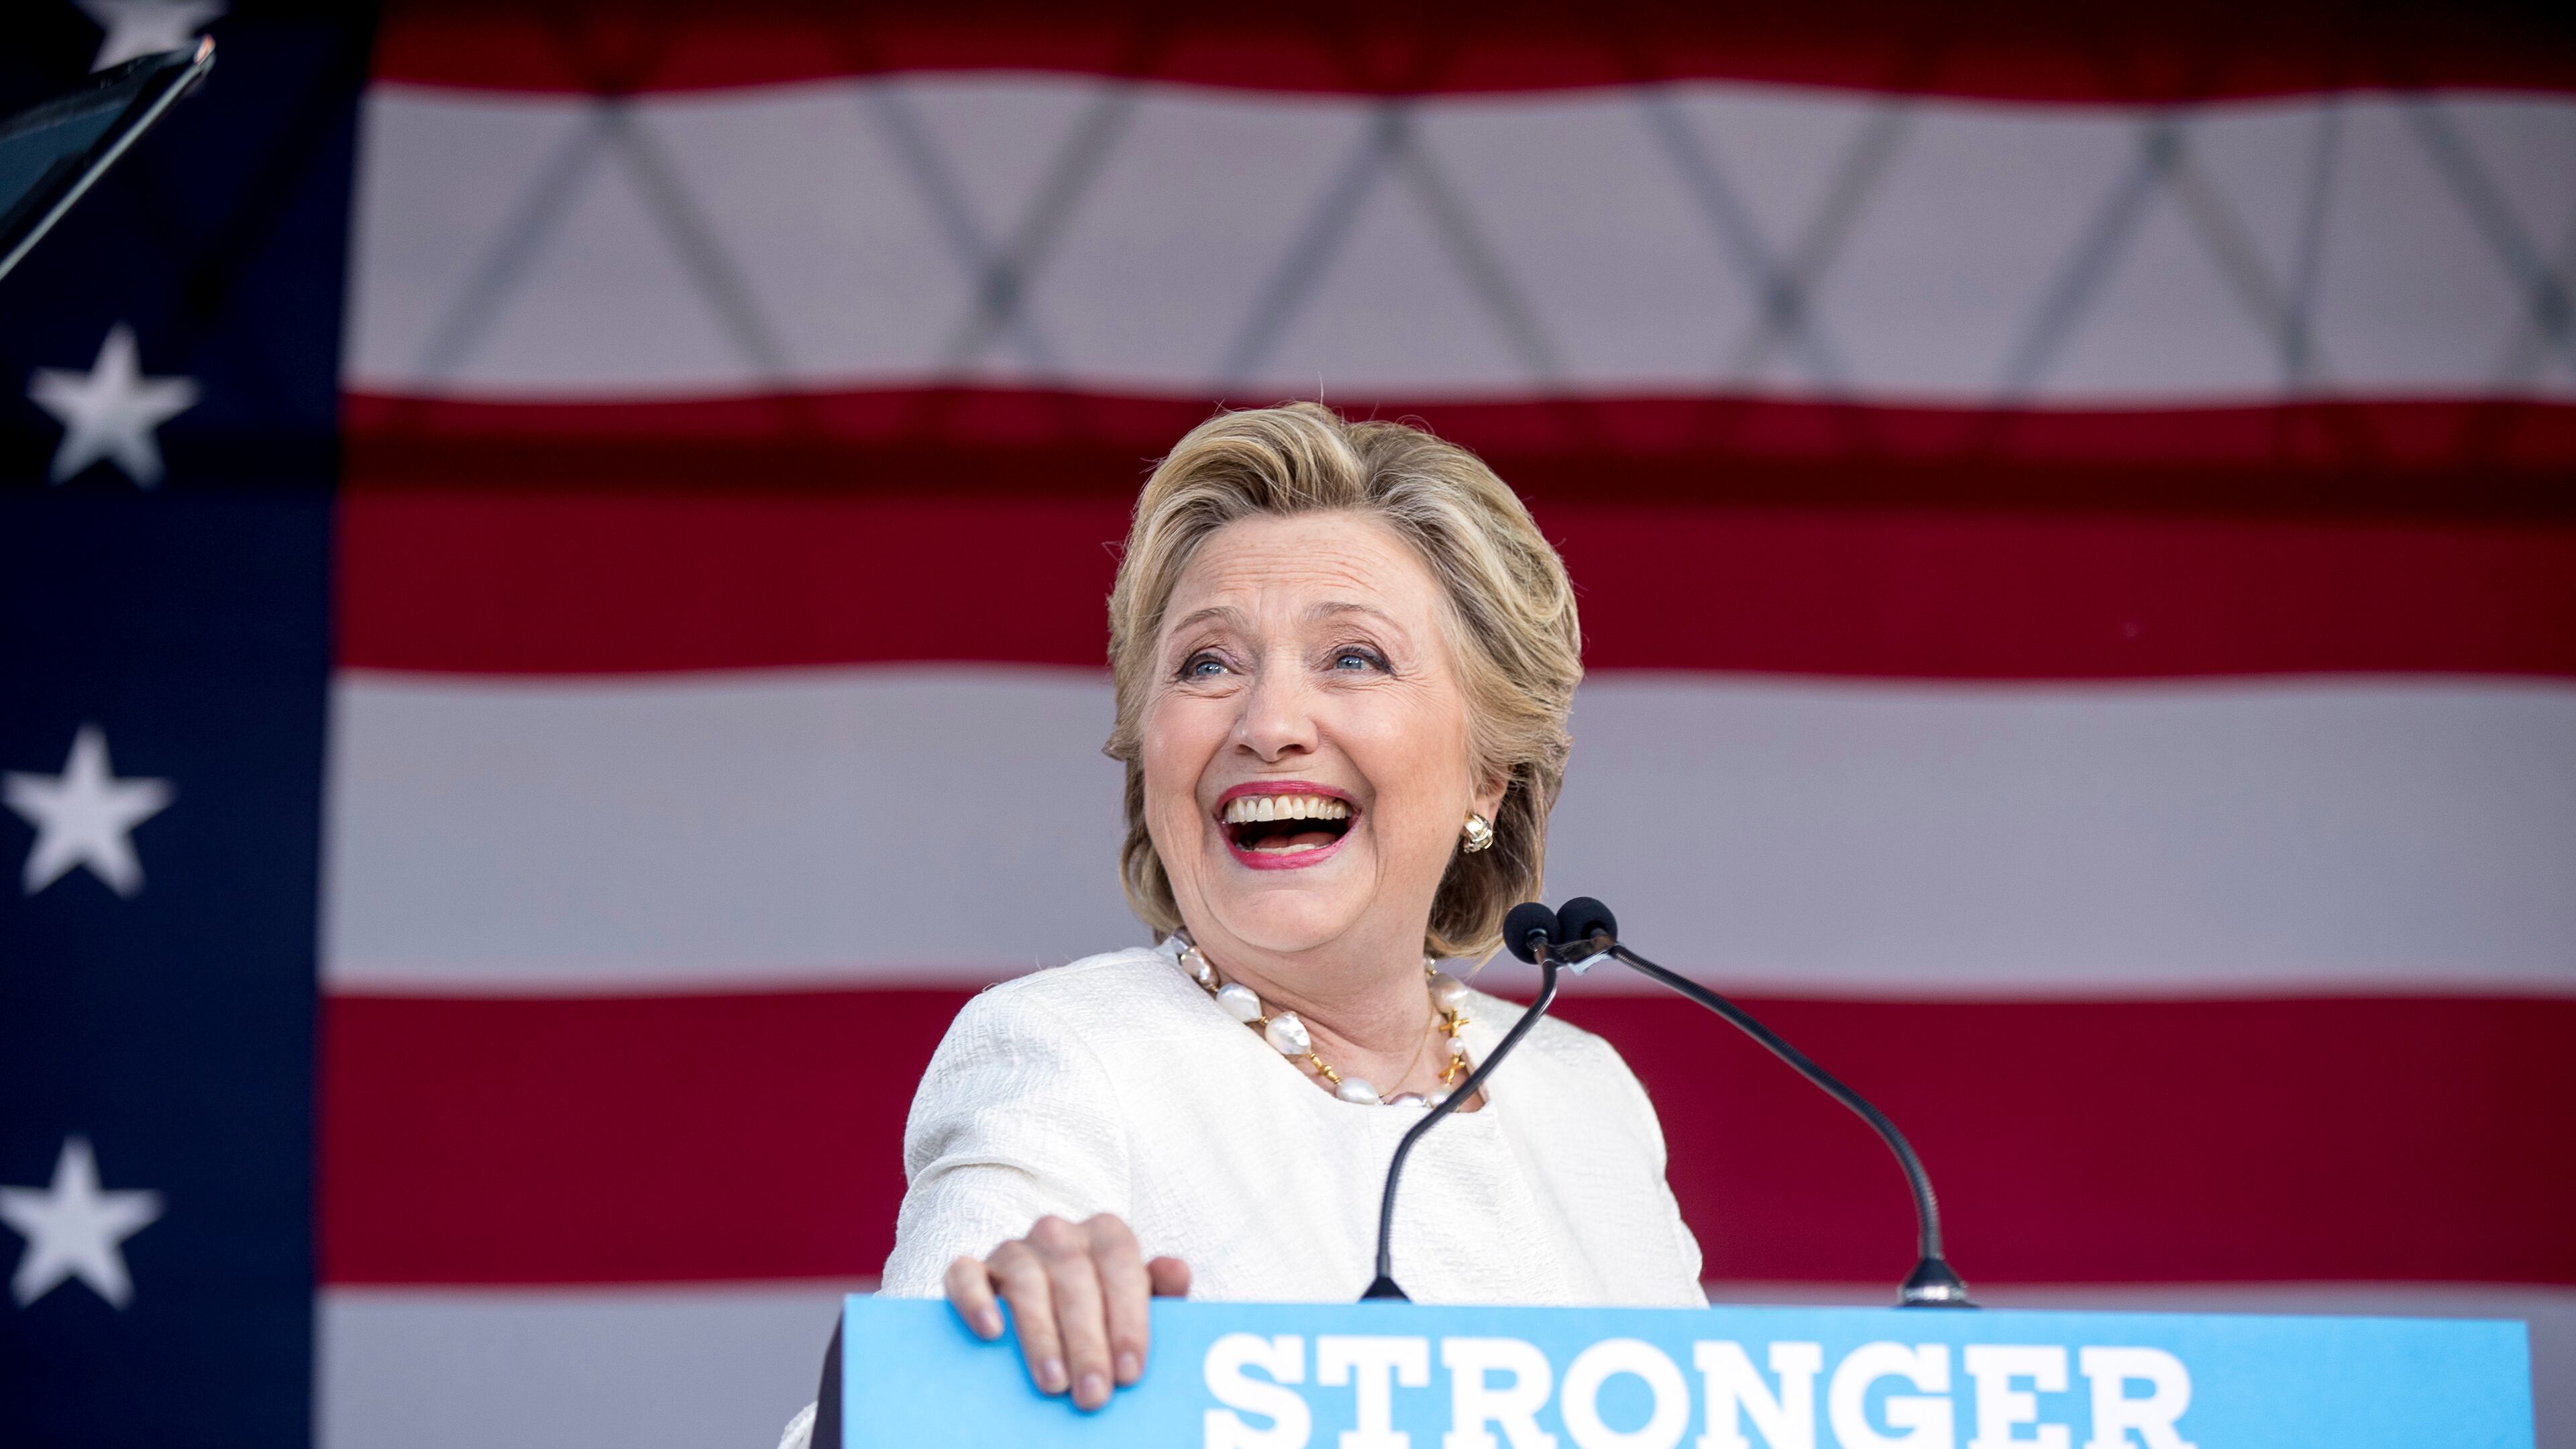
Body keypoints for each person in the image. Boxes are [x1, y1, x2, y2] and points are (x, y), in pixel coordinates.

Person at [777, 402, 1701, 1448]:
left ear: (1488, 770)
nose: (1267, 726)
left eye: (1352, 658)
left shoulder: (1586, 1095)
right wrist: (974, 1358)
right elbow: (894, 1420)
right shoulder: (1070, 1055)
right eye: (1207, 665)